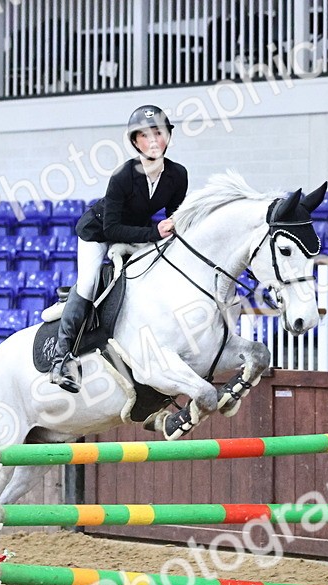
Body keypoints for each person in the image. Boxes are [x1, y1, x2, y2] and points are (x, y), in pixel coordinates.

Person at [49, 104, 189, 393]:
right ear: (135, 142)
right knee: (88, 283)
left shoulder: (178, 175)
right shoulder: (123, 177)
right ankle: (61, 358)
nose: (153, 141)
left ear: (168, 137)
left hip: (137, 232)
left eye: (159, 134)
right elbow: (112, 229)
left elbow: (175, 217)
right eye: (145, 136)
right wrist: (155, 232)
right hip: (98, 232)